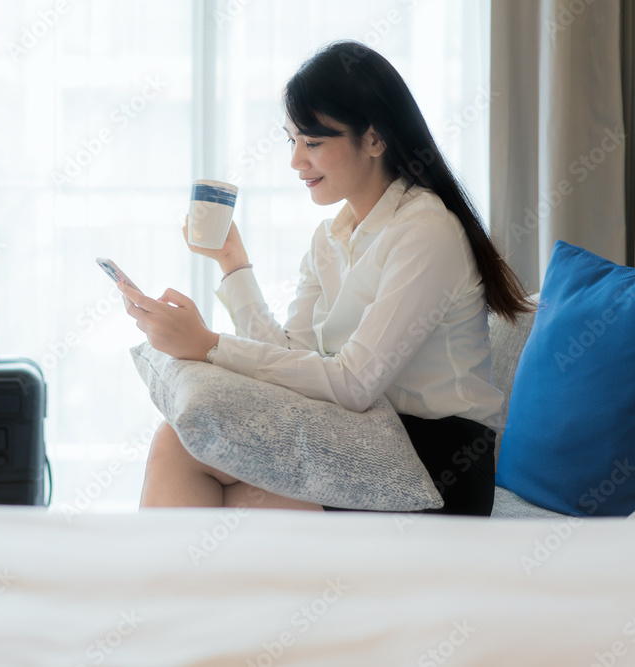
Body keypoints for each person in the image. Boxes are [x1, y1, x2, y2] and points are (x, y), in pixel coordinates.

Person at [117, 40, 532, 516]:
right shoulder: (329, 238)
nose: (296, 160)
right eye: (291, 140)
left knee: (236, 497)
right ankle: (163, 588)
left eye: (313, 143)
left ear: (375, 140)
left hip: (437, 460)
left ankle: (170, 585)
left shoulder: (426, 230)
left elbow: (354, 382)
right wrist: (232, 262)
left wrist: (210, 346)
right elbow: (294, 356)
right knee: (178, 440)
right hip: (365, 434)